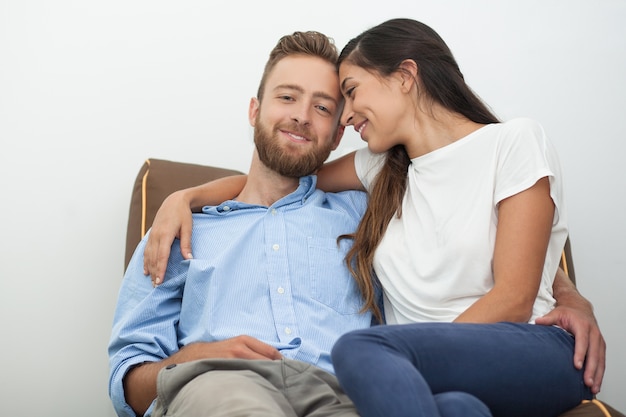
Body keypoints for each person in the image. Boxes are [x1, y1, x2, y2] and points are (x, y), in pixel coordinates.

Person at [139, 19, 610, 417]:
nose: (343, 120)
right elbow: (283, 180)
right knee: (458, 409)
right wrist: (186, 197)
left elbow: (515, 294)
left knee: (359, 349)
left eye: (346, 94)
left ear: (405, 75)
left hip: (505, 347)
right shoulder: (380, 171)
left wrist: (572, 297)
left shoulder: (513, 142)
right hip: (419, 373)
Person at [110, 30, 492, 417]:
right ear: (254, 110)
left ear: (339, 134)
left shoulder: (370, 214)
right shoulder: (178, 232)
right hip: (219, 385)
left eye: (323, 108)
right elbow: (127, 384)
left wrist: (556, 284)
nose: (302, 116)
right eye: (287, 97)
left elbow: (471, 226)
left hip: (344, 395)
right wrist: (193, 358)